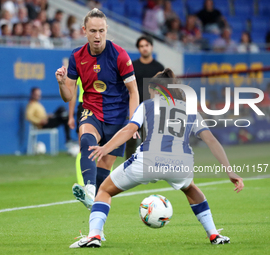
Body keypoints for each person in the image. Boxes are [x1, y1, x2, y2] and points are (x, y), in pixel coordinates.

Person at [69, 68, 244, 248]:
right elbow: (211, 140)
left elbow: (130, 130)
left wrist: (105, 148)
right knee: (191, 189)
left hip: (148, 161)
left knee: (104, 191)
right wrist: (230, 171)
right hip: (181, 164)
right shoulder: (190, 109)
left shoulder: (147, 105)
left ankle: (94, 236)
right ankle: (214, 234)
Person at [55, 8, 139, 222]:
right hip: (91, 110)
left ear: (106, 30)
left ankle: (95, 215)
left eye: (101, 30)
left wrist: (134, 123)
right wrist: (61, 83)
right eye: (93, 31)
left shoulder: (120, 55)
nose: (98, 36)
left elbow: (133, 92)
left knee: (104, 170)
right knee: (86, 140)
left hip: (118, 119)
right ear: (84, 30)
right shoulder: (76, 56)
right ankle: (89, 191)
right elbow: (68, 96)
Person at [125, 35, 164, 159]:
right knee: (130, 139)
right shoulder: (133, 66)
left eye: (146, 45)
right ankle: (129, 168)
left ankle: (148, 168)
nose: (144, 48)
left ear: (151, 47)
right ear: (138, 49)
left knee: (150, 142)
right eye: (141, 46)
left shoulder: (159, 68)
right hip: (135, 108)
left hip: (152, 109)